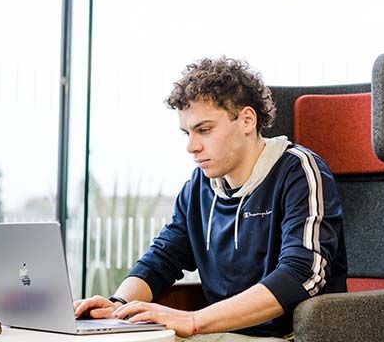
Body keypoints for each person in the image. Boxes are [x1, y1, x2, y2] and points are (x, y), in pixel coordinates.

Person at [74, 57, 348, 340]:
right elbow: (163, 257)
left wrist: (194, 321)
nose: (192, 146)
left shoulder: (298, 170)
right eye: (187, 133)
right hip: (219, 332)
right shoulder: (199, 185)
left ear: (246, 120)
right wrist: (117, 307)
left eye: (204, 130)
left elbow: (302, 273)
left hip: (287, 336)